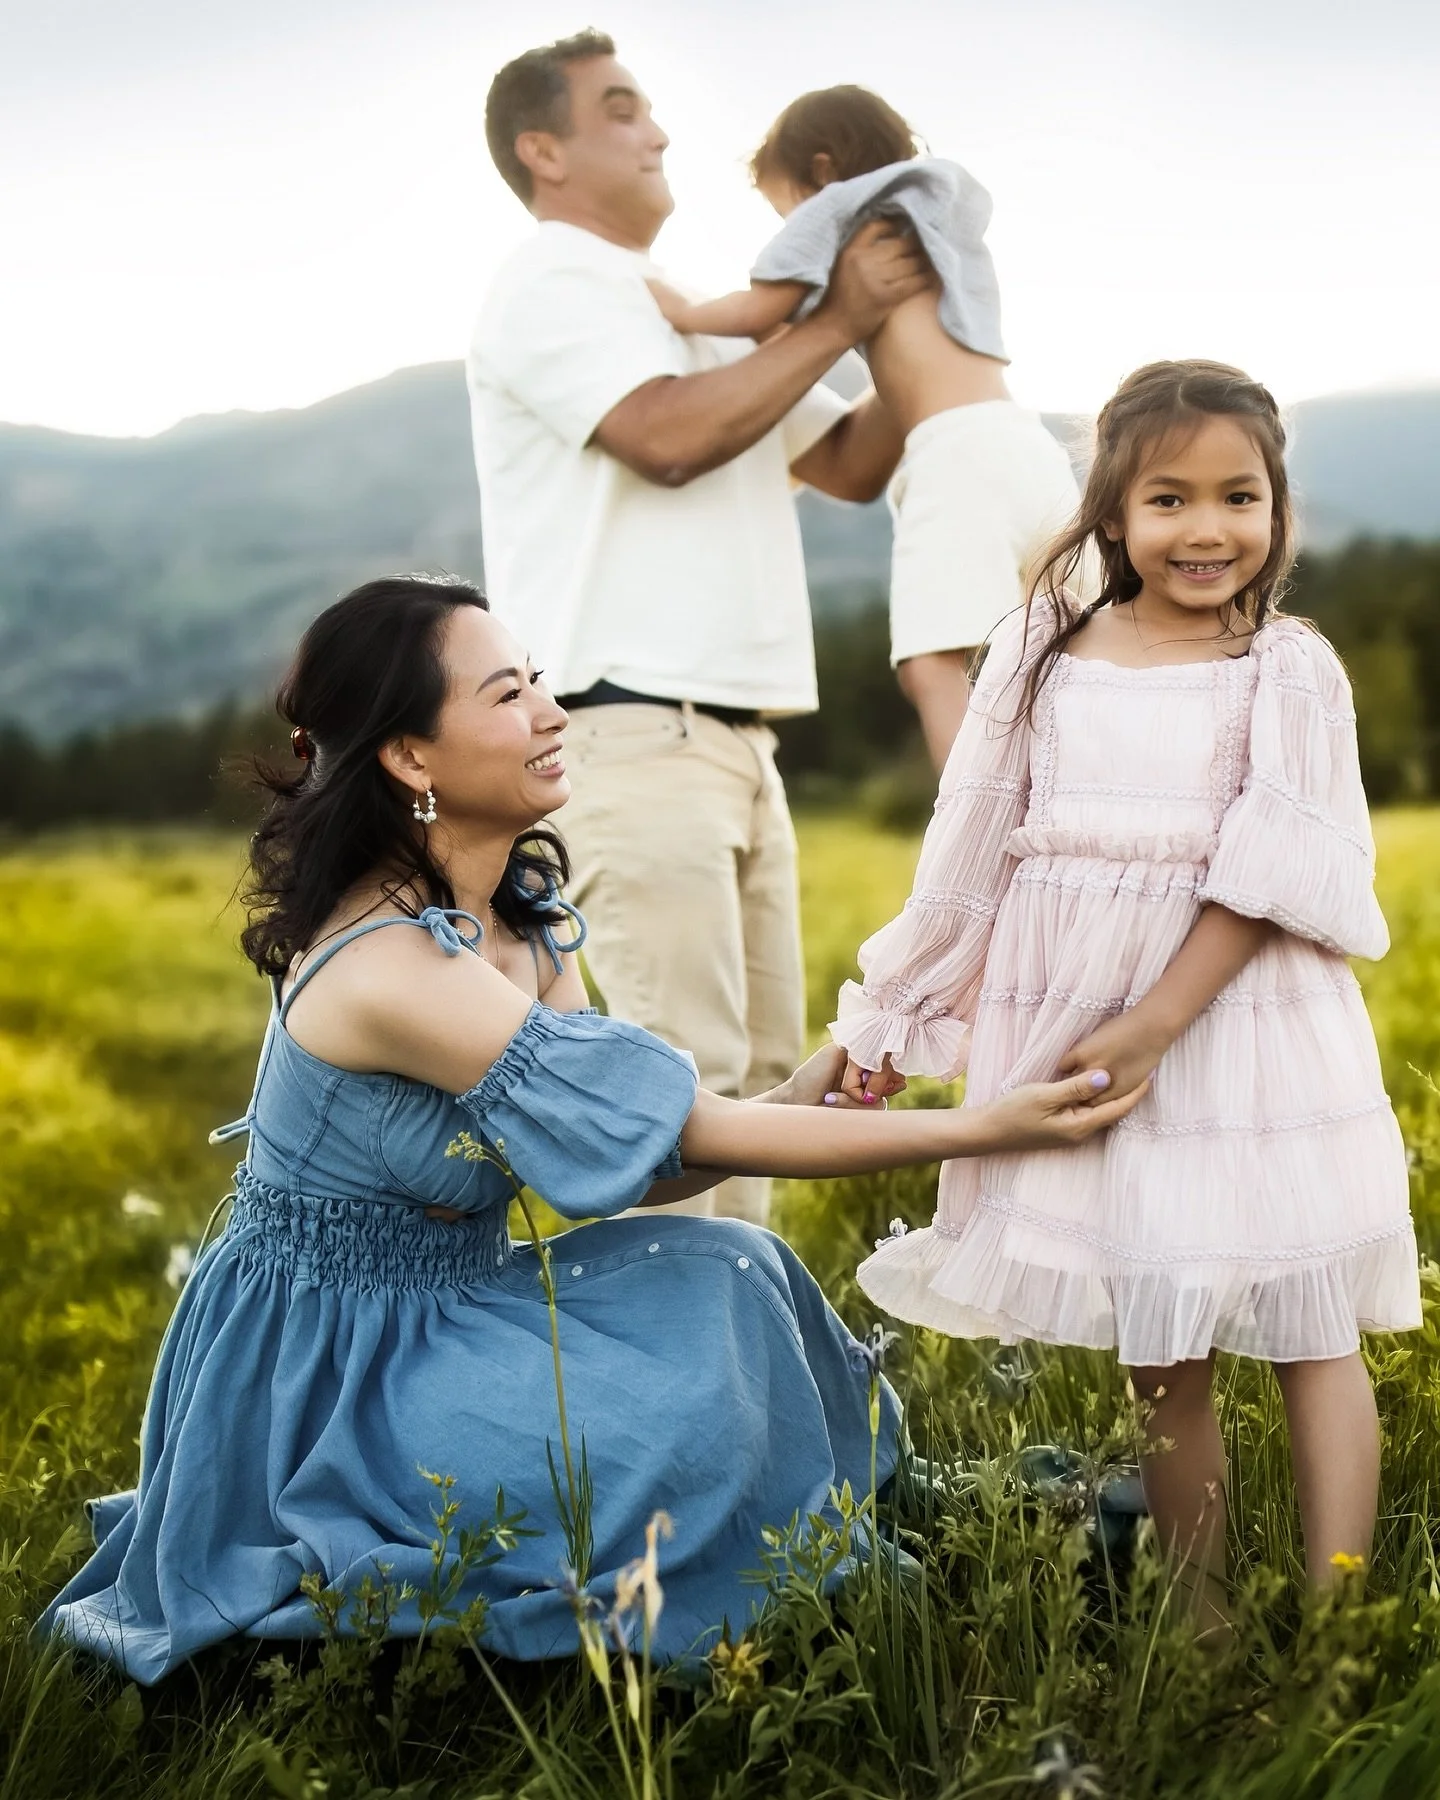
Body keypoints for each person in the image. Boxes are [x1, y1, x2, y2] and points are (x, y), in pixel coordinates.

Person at [38, 576, 1146, 1684]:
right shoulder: (389, 968)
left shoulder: (514, 916)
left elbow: (638, 1160)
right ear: (411, 758)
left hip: (458, 1300)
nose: (553, 714)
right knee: (681, 1430)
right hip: (330, 1370)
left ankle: (887, 1508)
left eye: (541, 685)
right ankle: (827, 1567)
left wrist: (809, 1085)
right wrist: (989, 1128)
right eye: (510, 694)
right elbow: (694, 1125)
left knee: (737, 1268)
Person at [829, 363, 1422, 1634]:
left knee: (1314, 1318)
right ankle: (1201, 1627)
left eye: (1239, 497)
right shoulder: (1041, 653)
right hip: (1084, 1025)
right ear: (1113, 512)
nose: (1208, 529)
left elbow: (1275, 868)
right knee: (1164, 1338)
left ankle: (1337, 1623)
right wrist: (893, 1012)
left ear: (1277, 509)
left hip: (1245, 1025)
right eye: (1170, 498)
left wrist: (1157, 1020)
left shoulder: (1286, 666)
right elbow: (972, 849)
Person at [468, 34, 928, 1230]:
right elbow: (665, 438)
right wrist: (835, 324)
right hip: (627, 727)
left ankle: (747, 1388)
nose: (658, 132)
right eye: (621, 110)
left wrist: (910, 302)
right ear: (544, 149)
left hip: (734, 744)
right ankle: (668, 1408)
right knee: (685, 1088)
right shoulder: (553, 279)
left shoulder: (703, 317)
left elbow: (852, 459)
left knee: (767, 1079)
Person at [647, 84, 1085, 772]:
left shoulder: (845, 211)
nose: (790, 222)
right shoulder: (933, 216)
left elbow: (766, 311)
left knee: (933, 667)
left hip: (955, 455)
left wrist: (681, 311)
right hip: (1029, 449)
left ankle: (971, 839)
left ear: (820, 170)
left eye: (782, 204)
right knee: (1077, 650)